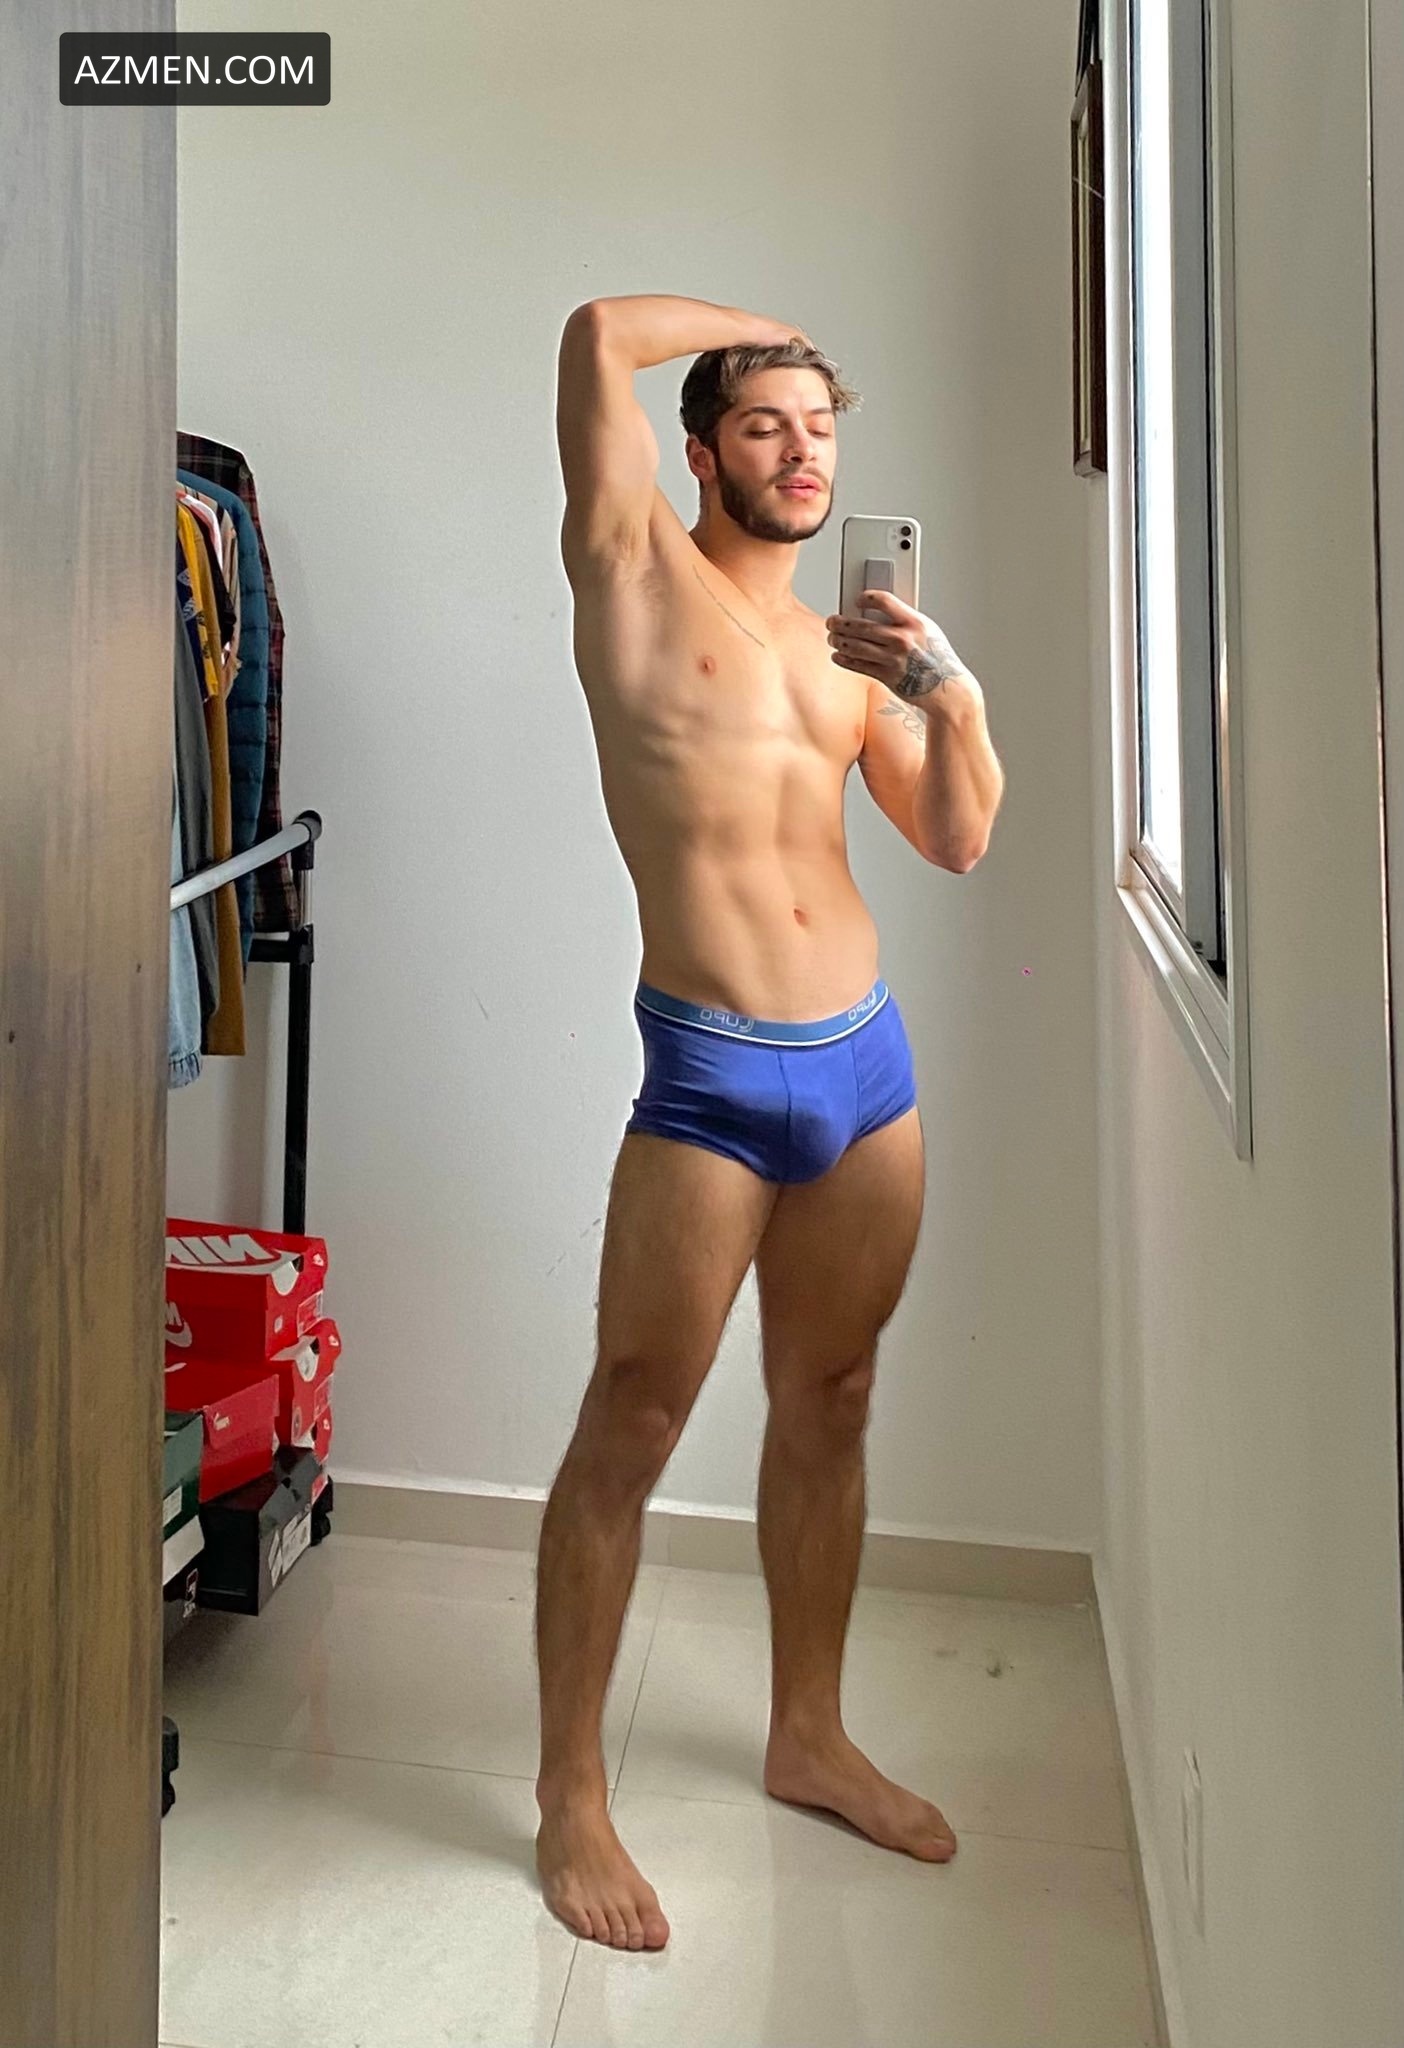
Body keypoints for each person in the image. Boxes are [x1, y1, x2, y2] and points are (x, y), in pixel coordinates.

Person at [534, 294, 1006, 1952]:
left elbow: (957, 838)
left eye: (819, 428)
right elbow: (599, 331)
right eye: (765, 425)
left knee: (836, 1399)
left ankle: (810, 1735)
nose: (803, 454)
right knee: (634, 1419)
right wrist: (766, 325)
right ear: (698, 451)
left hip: (866, 1068)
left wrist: (952, 697)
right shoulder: (631, 573)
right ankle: (571, 1795)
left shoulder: (843, 649)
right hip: (713, 1073)